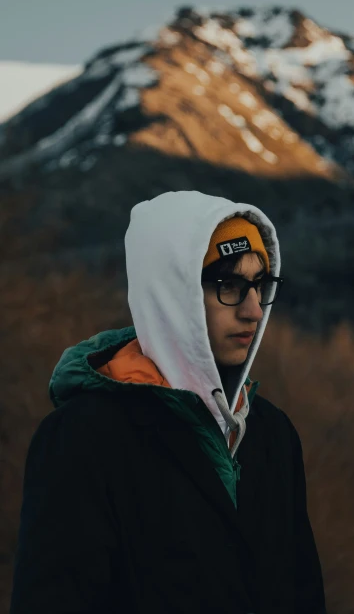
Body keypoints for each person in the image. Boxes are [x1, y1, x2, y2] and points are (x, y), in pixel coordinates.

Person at [11, 190, 326, 614]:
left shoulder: (273, 433)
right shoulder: (83, 439)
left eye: (260, 285)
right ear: (172, 295)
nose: (253, 309)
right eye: (228, 285)